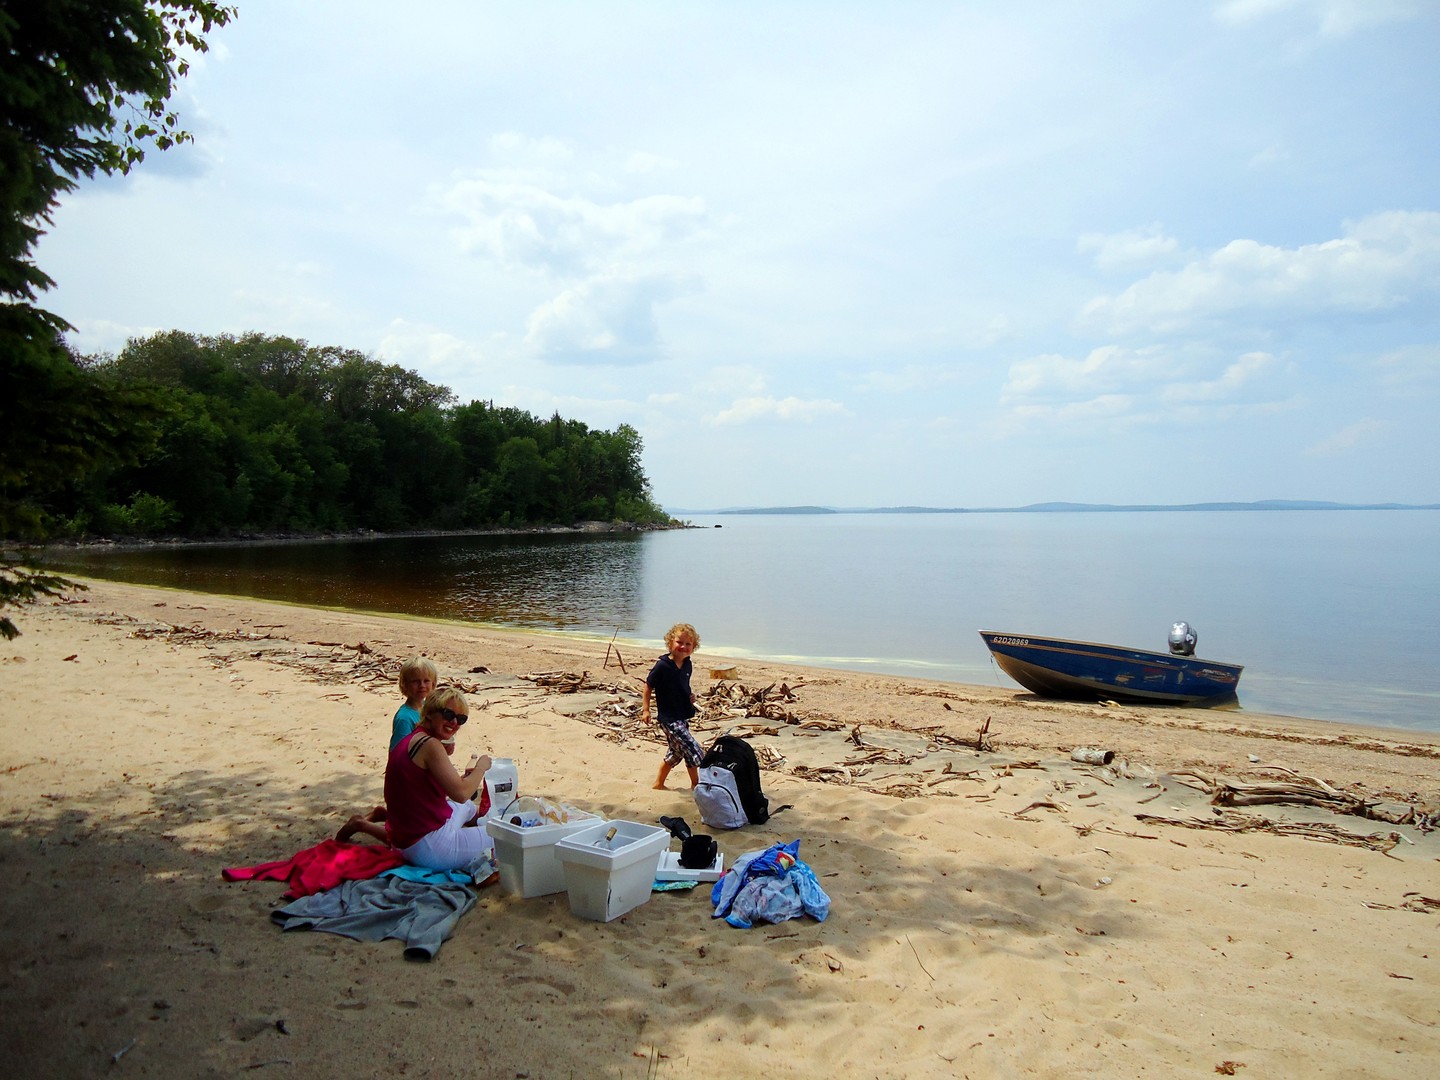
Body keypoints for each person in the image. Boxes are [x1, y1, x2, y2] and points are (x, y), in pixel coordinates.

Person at [383, 687, 496, 872]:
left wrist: (465, 780)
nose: (454, 723)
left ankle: (481, 825)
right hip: (428, 847)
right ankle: (483, 832)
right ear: (429, 713)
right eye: (448, 714)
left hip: (404, 839)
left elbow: (429, 788)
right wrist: (481, 768)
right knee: (504, 836)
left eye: (460, 719)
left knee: (467, 807)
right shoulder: (431, 746)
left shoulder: (414, 739)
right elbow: (461, 793)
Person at [337, 656, 441, 844]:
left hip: (422, 777)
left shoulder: (427, 709)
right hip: (408, 781)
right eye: (416, 682)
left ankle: (382, 814)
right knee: (406, 841)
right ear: (405, 685)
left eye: (427, 681)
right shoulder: (405, 718)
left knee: (418, 819)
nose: (422, 686)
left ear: (434, 684)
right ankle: (360, 824)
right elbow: (399, 755)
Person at [642, 622, 704, 790]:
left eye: (688, 644)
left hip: (683, 715)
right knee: (694, 750)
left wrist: (690, 696)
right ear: (670, 643)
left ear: (693, 647)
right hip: (669, 718)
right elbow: (648, 686)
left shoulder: (688, 664)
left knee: (675, 754)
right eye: (679, 642)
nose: (683, 647)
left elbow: (682, 685)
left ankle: (658, 784)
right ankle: (696, 785)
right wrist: (646, 710)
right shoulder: (662, 665)